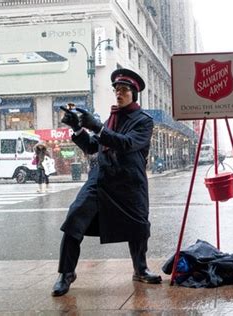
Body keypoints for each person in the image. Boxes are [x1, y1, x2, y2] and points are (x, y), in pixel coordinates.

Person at [52, 68, 161, 297]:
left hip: (129, 182)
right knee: (74, 218)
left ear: (134, 94)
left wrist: (98, 127)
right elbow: (94, 146)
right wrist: (78, 128)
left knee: (138, 226)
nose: (118, 94)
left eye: (123, 90)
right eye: (116, 90)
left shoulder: (143, 121)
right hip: (100, 178)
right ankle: (66, 273)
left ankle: (140, 269)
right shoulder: (111, 118)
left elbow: (126, 143)